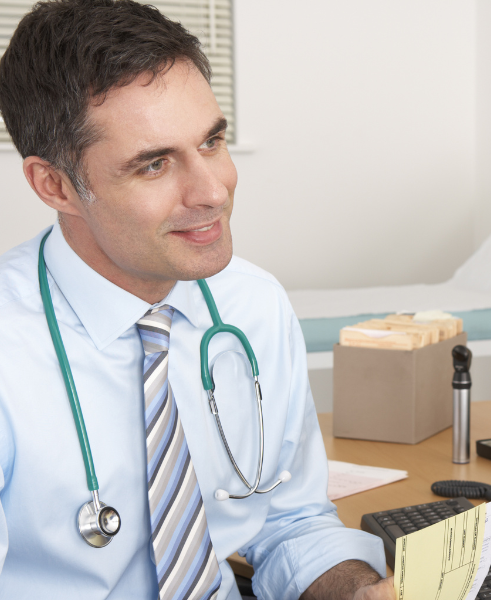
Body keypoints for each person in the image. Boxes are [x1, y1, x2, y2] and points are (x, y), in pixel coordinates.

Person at [0, 2, 395, 599]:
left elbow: (289, 523)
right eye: (154, 164)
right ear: (55, 185)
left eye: (211, 141)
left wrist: (356, 589)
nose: (213, 191)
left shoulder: (251, 305)